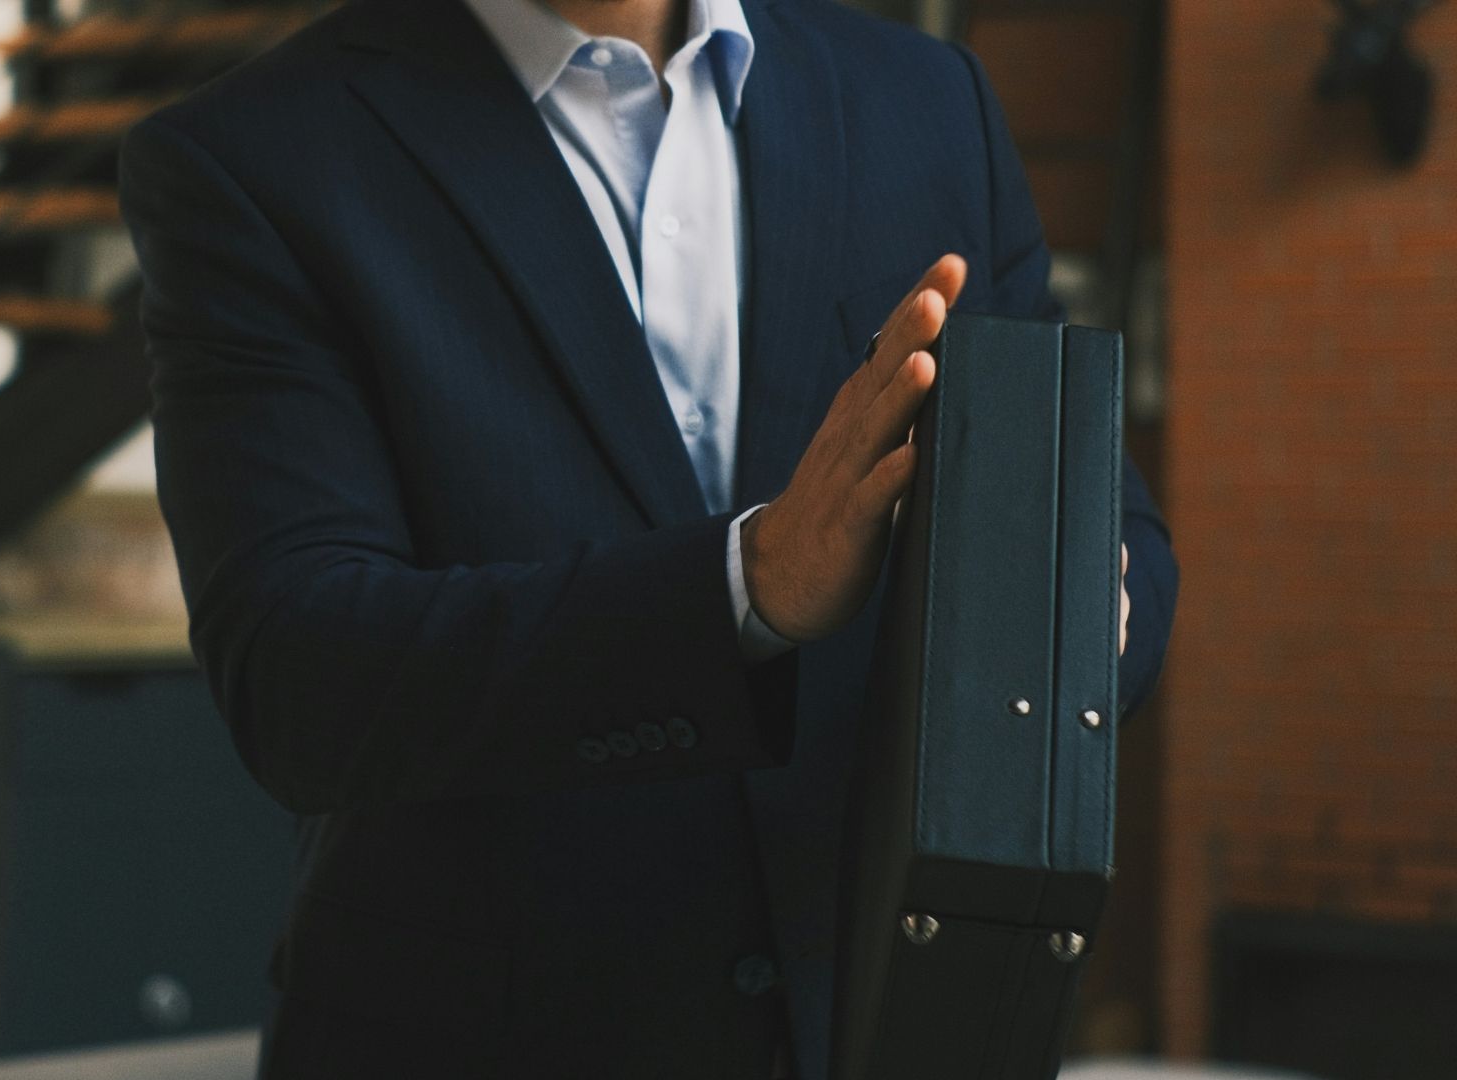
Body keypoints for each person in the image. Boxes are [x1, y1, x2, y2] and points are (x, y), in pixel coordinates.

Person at [116, 0, 1178, 1075]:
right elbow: (299, 676)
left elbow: (1099, 506)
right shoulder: (255, 155)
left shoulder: (927, 99)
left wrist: (1070, 601)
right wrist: (746, 586)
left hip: (884, 1032)